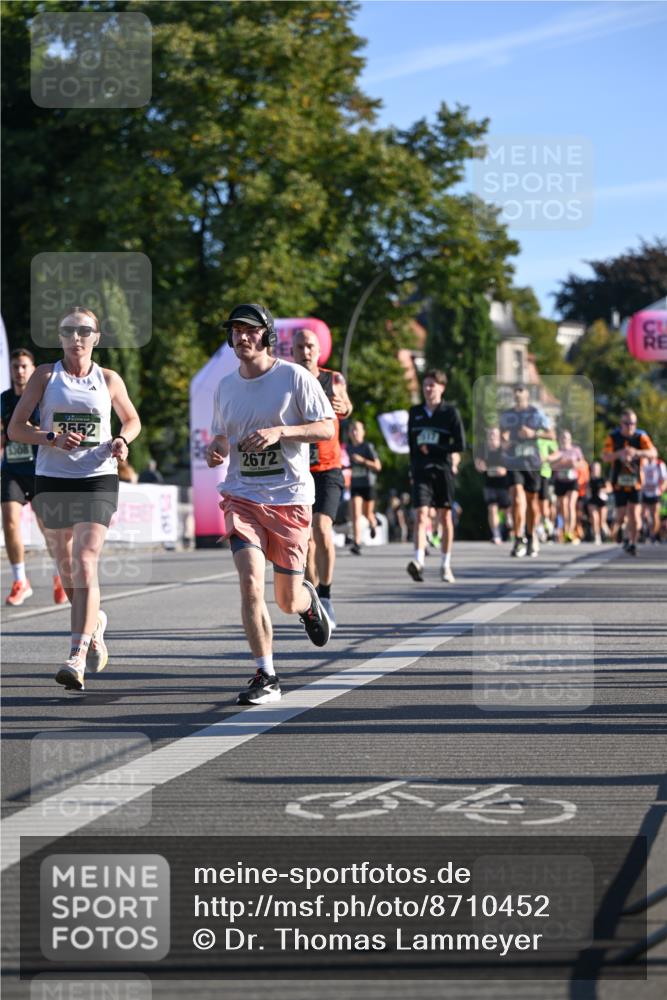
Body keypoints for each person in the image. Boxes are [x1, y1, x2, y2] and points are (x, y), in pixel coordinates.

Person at [206, 303, 336, 707]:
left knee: (285, 599)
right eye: (235, 331)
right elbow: (221, 437)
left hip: (290, 498)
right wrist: (216, 448)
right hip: (242, 495)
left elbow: (327, 426)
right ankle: (267, 674)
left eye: (250, 330)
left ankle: (307, 602)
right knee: (248, 581)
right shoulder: (225, 387)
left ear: (266, 335)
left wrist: (280, 432)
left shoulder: (293, 377)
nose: (242, 337)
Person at [8, 306, 141, 690]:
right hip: (52, 478)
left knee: (85, 560)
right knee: (66, 567)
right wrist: (51, 437)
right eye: (69, 331)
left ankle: (77, 655)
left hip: (98, 477)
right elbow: (17, 428)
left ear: (96, 338)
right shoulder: (46, 376)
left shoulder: (109, 379)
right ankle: (95, 621)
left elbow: (131, 419)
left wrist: (121, 440)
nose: (77, 337)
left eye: (85, 330)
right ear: (61, 338)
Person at [292, 327, 352, 628]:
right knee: (306, 542)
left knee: (322, 528)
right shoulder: (287, 381)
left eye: (310, 346)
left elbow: (346, 405)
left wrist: (345, 406)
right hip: (297, 469)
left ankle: (326, 596)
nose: (306, 351)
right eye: (300, 346)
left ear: (319, 350)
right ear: (292, 351)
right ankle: (313, 596)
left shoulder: (334, 378)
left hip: (328, 468)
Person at [1, 348, 67, 605]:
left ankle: (59, 575)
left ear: (33, 369)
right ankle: (20, 580)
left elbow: (56, 430)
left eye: (24, 366)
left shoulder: (44, 398)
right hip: (12, 471)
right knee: (10, 521)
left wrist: (33, 431)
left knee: (48, 528)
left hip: (40, 469)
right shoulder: (4, 400)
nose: (19, 371)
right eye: (15, 366)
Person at [406, 369, 465, 583]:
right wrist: (411, 470)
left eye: (432, 385)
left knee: (445, 517)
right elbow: (412, 446)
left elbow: (460, 444)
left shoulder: (450, 413)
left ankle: (445, 564)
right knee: (421, 515)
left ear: (441, 387)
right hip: (421, 471)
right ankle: (418, 562)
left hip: (443, 470)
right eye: (425, 386)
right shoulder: (415, 412)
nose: (428, 389)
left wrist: (434, 449)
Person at [500, 384, 552, 558]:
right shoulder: (507, 415)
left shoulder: (536, 413)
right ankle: (518, 538)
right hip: (514, 461)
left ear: (527, 394)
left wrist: (533, 434)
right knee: (516, 497)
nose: (518, 393)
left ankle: (531, 536)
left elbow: (551, 434)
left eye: (521, 390)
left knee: (532, 502)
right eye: (515, 390)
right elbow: (501, 437)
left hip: (532, 462)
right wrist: (504, 440)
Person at [601, 409, 657, 556]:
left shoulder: (641, 437)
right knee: (620, 514)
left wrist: (636, 453)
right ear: (621, 424)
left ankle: (632, 543)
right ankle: (623, 533)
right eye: (627, 423)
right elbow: (605, 456)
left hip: (636, 482)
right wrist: (619, 454)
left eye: (633, 423)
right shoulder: (613, 437)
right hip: (619, 481)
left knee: (635, 516)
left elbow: (653, 453)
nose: (630, 426)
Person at [347, 419, 382, 555]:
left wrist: (362, 461)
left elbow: (378, 466)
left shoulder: (367, 447)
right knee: (356, 513)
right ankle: (357, 543)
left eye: (357, 429)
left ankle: (373, 523)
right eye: (352, 430)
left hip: (368, 484)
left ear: (363, 433)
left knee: (367, 513)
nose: (354, 432)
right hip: (355, 485)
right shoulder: (348, 448)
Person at [474, 426, 511, 545]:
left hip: (504, 484)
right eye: (490, 434)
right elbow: (478, 463)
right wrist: (480, 466)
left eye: (494, 434)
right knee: (492, 508)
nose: (492, 436)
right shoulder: (483, 449)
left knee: (507, 511)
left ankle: (512, 529)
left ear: (499, 435)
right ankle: (496, 534)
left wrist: (504, 470)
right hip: (489, 483)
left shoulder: (505, 449)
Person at [548, 429, 584, 543]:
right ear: (560, 439)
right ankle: (564, 530)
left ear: (570, 439)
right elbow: (551, 465)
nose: (565, 440)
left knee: (570, 505)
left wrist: (574, 464)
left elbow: (582, 464)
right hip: (560, 481)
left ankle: (570, 531)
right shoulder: (557, 451)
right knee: (562, 506)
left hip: (572, 480)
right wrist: (562, 463)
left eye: (567, 438)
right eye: (563, 438)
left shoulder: (576, 450)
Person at [640, 454, 667, 543]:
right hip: (645, 493)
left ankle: (653, 535)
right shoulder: (643, 463)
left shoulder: (660, 464)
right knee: (644, 514)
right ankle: (646, 532)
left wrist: (660, 490)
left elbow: (665, 480)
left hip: (656, 493)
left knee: (655, 515)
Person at [586, 461, 610, 545]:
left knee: (602, 521)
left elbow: (610, 488)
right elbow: (587, 491)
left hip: (602, 501)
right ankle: (597, 536)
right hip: (593, 500)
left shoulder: (603, 479)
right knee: (594, 518)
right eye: (594, 469)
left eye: (597, 469)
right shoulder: (590, 480)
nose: (595, 470)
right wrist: (587, 493)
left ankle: (605, 531)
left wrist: (603, 490)